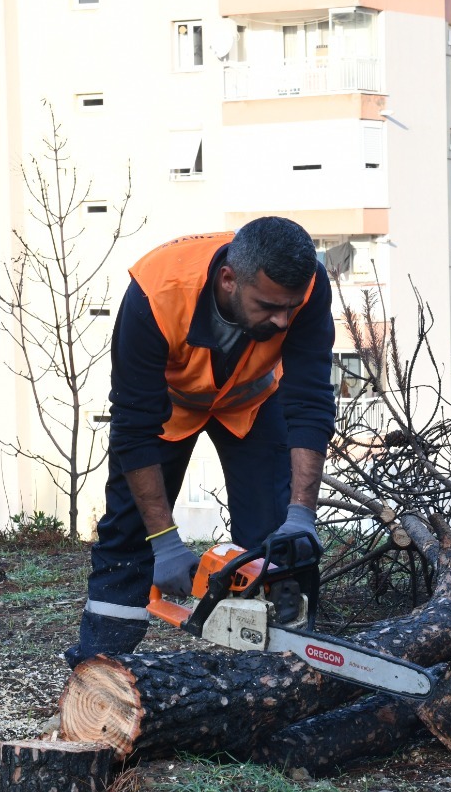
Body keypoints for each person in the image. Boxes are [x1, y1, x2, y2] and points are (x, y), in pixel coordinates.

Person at [64, 216, 336, 667]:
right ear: (228, 280)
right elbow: (132, 428)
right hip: (170, 409)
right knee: (129, 535)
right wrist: (165, 542)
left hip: (253, 402)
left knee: (278, 543)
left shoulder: (306, 285)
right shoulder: (155, 294)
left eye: (290, 308)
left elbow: (310, 400)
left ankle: (281, 673)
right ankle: (99, 668)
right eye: (269, 306)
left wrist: (302, 513)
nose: (283, 319)